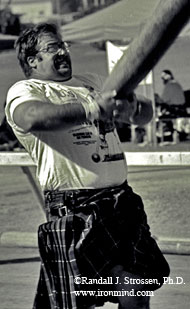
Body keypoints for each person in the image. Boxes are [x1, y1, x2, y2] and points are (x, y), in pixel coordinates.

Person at [5, 23, 169, 309]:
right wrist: (92, 108)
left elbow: (144, 114)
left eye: (64, 45)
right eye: (53, 47)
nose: (64, 51)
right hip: (76, 204)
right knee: (78, 300)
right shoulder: (27, 89)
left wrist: (133, 107)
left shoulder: (90, 81)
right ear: (32, 60)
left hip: (121, 200)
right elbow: (30, 117)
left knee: (136, 288)